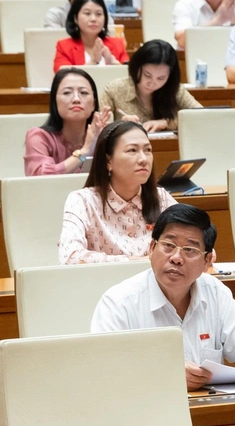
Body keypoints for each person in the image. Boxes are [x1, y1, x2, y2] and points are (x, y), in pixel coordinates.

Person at [91, 203, 235, 390]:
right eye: (168, 246)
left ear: (208, 261)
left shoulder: (217, 293)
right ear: (152, 248)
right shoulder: (118, 303)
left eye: (190, 250)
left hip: (206, 409)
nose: (176, 258)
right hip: (144, 411)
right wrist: (169, 377)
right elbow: (106, 373)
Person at [59, 120, 177, 264]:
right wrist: (133, 261)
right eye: (132, 150)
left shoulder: (161, 198)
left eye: (148, 150)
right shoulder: (82, 201)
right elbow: (70, 257)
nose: (143, 159)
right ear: (108, 161)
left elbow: (199, 246)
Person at [101, 39, 201, 132]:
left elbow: (202, 115)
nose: (152, 83)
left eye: (161, 78)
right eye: (147, 75)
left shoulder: (175, 90)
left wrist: (167, 122)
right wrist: (121, 126)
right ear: (137, 67)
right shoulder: (114, 90)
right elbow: (100, 128)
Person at [25, 67, 110, 176]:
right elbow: (40, 177)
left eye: (83, 93)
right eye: (67, 93)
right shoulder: (39, 137)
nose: (76, 99)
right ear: (54, 102)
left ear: (93, 103)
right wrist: (85, 151)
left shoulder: (102, 137)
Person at [53, 0, 128, 73]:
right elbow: (63, 77)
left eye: (98, 14)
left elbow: (130, 78)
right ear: (75, 18)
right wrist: (93, 61)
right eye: (87, 13)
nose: (93, 19)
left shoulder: (117, 44)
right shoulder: (64, 47)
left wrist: (112, 61)